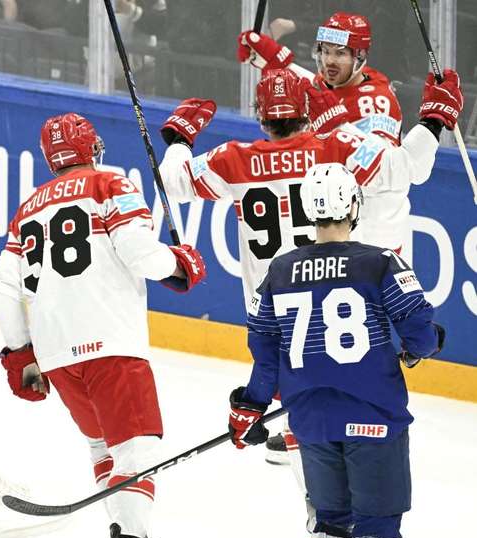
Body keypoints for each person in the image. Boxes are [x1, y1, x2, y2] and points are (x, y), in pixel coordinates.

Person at [158, 65, 462, 468]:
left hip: (275, 314)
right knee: (345, 423)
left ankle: (323, 520)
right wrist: (433, 118)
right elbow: (406, 169)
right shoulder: (335, 147)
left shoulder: (233, 159)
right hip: (336, 306)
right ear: (305, 111)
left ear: (260, 115)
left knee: (307, 428)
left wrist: (179, 139)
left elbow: (171, 180)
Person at [0, 112, 206, 538]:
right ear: (92, 147)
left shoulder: (27, 208)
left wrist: (20, 351)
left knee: (104, 448)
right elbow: (139, 251)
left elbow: (0, 282)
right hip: (112, 342)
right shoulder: (111, 182)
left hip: (58, 354)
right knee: (138, 448)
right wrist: (179, 261)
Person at [235, 11, 457, 464]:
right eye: (324, 51)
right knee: (323, 335)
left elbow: (388, 169)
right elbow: (313, 88)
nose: (329, 61)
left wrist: (431, 123)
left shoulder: (375, 101)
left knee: (364, 342)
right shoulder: (327, 84)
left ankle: (344, 433)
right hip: (340, 232)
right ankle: (313, 424)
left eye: (341, 53)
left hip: (374, 235)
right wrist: (273, 58)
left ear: (361, 56)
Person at [226, 162, 444, 538]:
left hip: (311, 421)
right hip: (374, 417)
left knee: (329, 518)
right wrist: (422, 347)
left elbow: (265, 355)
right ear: (354, 207)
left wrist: (247, 408)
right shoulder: (380, 262)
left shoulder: (279, 271)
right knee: (376, 528)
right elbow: (420, 330)